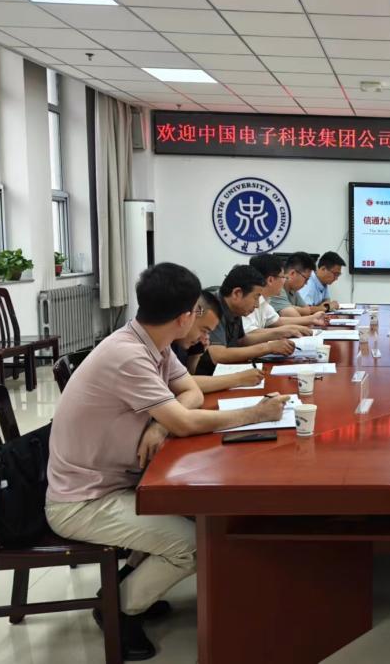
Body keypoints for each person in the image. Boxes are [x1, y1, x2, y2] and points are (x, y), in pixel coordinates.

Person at [45, 263, 288, 659]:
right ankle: (117, 608)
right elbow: (187, 420)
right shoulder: (128, 355)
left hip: (117, 481)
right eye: (196, 312)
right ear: (184, 316)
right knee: (194, 546)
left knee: (190, 517)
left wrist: (161, 424)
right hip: (84, 500)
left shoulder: (150, 342)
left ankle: (125, 586)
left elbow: (191, 393)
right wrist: (254, 414)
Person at [172, 291, 263, 391]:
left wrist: (198, 350)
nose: (205, 337)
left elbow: (191, 375)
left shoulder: (184, 343)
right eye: (204, 330)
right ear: (189, 316)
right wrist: (239, 378)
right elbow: (179, 384)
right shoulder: (166, 346)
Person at [206, 265, 296, 365]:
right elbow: (218, 355)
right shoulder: (212, 308)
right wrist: (268, 347)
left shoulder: (235, 308)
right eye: (256, 297)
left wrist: (276, 334)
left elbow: (241, 341)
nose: (257, 305)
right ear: (237, 293)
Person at [243, 253, 318, 338]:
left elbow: (277, 320)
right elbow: (248, 333)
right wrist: (284, 331)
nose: (284, 281)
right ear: (270, 280)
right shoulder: (248, 299)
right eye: (283, 277)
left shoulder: (265, 299)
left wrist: (310, 320)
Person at [268, 251, 325, 320]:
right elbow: (295, 316)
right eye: (306, 279)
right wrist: (296, 309)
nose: (306, 283)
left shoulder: (293, 290)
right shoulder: (277, 287)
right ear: (293, 273)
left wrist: (293, 308)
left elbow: (307, 310)